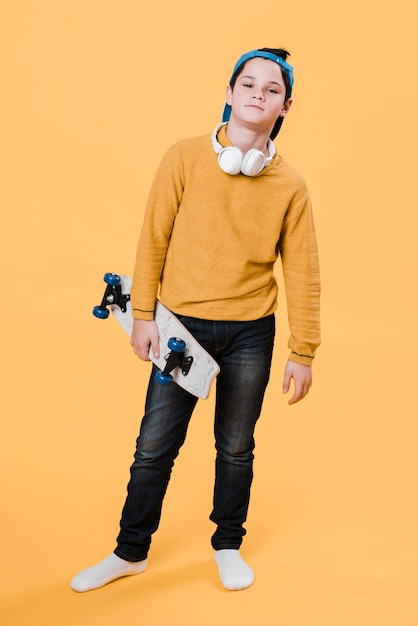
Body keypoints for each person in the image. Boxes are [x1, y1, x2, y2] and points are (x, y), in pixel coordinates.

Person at [71, 47, 321, 593]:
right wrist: (142, 316)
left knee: (235, 447)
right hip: (180, 327)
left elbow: (303, 273)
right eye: (248, 84)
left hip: (251, 332)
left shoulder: (290, 186)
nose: (258, 93)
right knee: (154, 446)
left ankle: (227, 544)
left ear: (286, 106)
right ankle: (129, 552)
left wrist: (303, 352)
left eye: (272, 89)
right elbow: (152, 236)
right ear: (229, 93)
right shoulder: (183, 158)